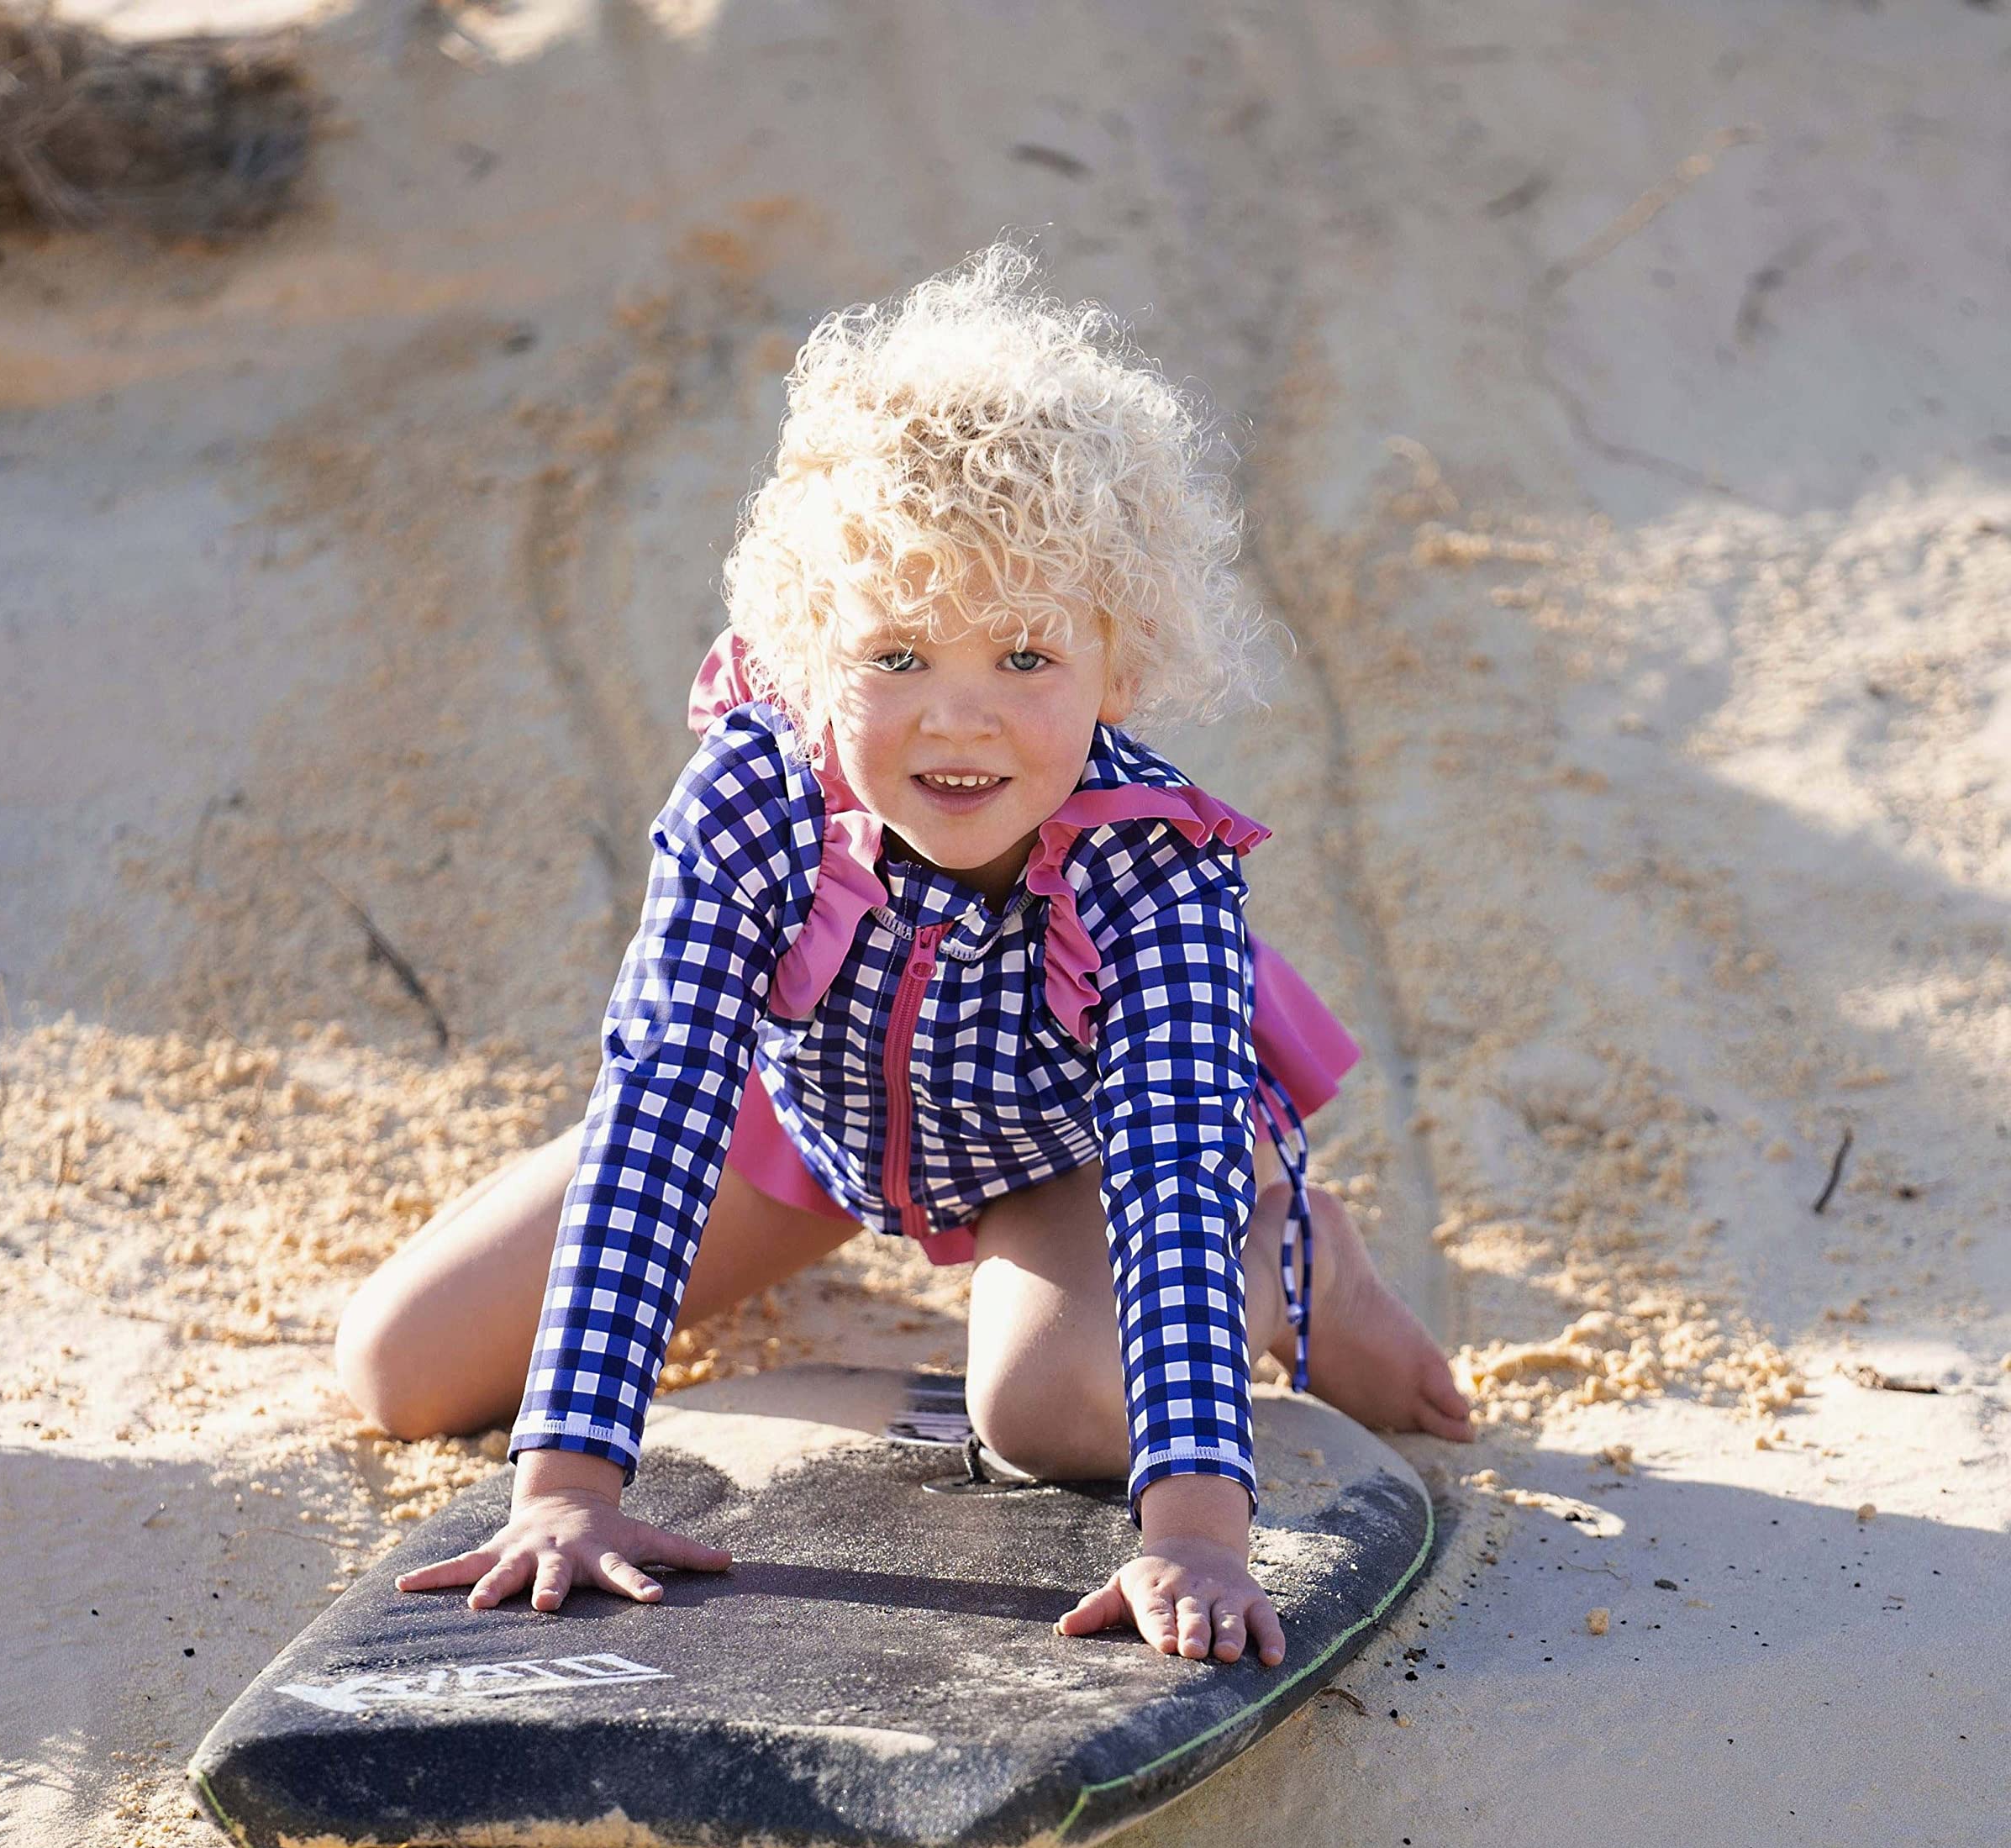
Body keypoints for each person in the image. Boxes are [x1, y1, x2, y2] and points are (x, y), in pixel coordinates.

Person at [337, 240, 1470, 1668]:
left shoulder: (1158, 875)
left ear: (1120, 662)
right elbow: (661, 1105)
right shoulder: (752, 799)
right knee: (400, 1367)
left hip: (1067, 1156)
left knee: (1047, 1409)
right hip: (816, 1125)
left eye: (1026, 658)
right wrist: (567, 1488)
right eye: (897, 656)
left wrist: (1193, 1532)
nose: (957, 717)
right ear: (813, 647)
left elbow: (1165, 1167)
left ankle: (1288, 1249)